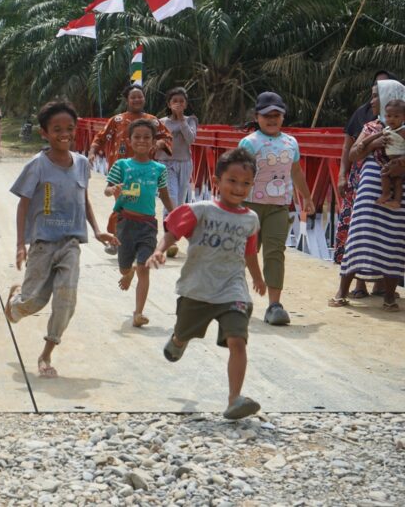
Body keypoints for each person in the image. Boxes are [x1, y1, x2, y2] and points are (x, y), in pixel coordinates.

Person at [147, 147, 266, 420]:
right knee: (184, 332)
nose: (239, 188)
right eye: (232, 181)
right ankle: (178, 339)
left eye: (246, 183)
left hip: (233, 289)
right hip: (198, 288)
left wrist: (258, 278)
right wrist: (159, 250)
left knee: (238, 341)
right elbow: (173, 231)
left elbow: (249, 252)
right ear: (217, 181)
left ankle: (234, 399)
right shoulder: (200, 210)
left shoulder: (251, 219)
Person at [5, 101, 118, 378]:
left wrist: (97, 230)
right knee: (34, 302)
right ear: (44, 132)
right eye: (56, 129)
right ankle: (15, 303)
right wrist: (20, 244)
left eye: (69, 128)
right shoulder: (37, 165)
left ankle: (46, 354)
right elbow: (23, 204)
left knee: (66, 301)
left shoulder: (81, 164)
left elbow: (84, 199)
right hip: (43, 244)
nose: (64, 134)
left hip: (71, 244)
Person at [238, 92, 315, 325]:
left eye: (276, 115)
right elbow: (237, 172)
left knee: (275, 253)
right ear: (257, 117)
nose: (272, 120)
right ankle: (237, 298)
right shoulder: (249, 142)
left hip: (279, 206)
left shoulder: (291, 142)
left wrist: (307, 197)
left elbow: (296, 172)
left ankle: (274, 306)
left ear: (283, 117)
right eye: (267, 116)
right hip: (249, 206)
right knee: (244, 253)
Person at [330, 79, 405, 312]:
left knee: (393, 240)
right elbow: (353, 154)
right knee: (359, 236)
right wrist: (373, 144)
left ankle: (389, 297)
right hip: (369, 191)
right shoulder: (371, 126)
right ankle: (342, 292)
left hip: (398, 192)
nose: (371, 101)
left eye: (376, 96)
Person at [105, 119, 174, 327]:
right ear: (129, 140)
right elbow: (107, 189)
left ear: (153, 142)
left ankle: (138, 312)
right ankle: (129, 272)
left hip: (148, 225)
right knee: (123, 268)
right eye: (137, 137)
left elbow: (164, 195)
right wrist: (112, 189)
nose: (142, 141)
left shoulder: (159, 169)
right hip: (125, 223)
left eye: (147, 137)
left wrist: (176, 215)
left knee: (144, 267)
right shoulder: (121, 165)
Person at [87, 84, 172, 254]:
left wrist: (160, 143)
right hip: (122, 171)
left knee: (141, 206)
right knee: (123, 204)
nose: (137, 100)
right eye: (133, 97)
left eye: (140, 96)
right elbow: (101, 137)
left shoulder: (153, 121)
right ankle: (117, 240)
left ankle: (140, 240)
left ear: (144, 99)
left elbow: (167, 137)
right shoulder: (117, 120)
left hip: (146, 171)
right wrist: (92, 152)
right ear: (127, 100)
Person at [159, 87, 198, 258]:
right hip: (166, 164)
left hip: (184, 163)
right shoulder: (161, 122)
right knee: (171, 199)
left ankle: (173, 234)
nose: (178, 104)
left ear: (186, 104)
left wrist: (181, 120)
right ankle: (170, 240)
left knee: (180, 202)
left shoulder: (191, 120)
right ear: (169, 104)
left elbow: (191, 139)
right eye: (175, 101)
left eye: (181, 101)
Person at [376, 99, 405, 208]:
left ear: (404, 118)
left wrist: (402, 158)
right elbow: (376, 136)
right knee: (397, 180)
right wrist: (363, 143)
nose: (392, 119)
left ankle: (386, 193)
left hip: (399, 159)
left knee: (384, 172)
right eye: (389, 116)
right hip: (393, 160)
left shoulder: (403, 131)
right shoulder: (387, 129)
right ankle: (396, 201)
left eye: (396, 116)